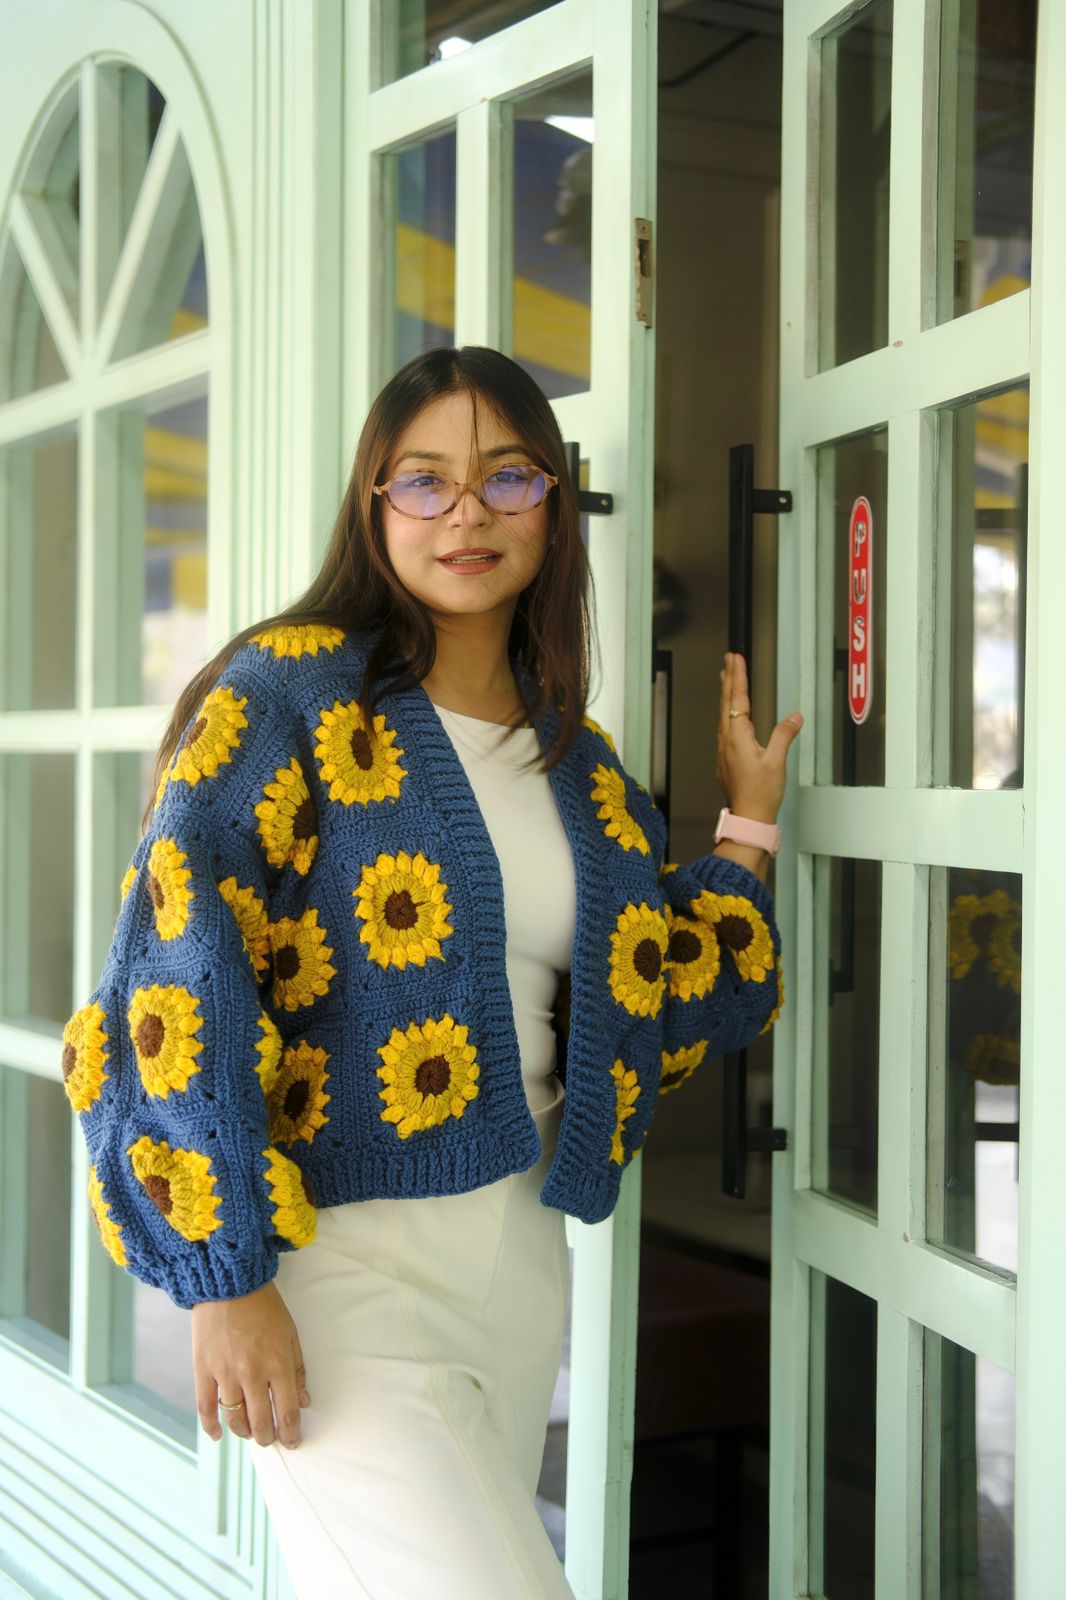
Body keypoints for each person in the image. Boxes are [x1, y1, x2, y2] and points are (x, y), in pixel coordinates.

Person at [61, 346, 802, 1598]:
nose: (468, 511)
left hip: (516, 1272)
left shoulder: (579, 764)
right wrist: (226, 1275)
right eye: (425, 480)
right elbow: (175, 976)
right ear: (375, 505)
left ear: (552, 506)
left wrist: (745, 830)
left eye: (507, 476)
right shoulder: (286, 698)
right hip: (333, 1269)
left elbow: (657, 995)